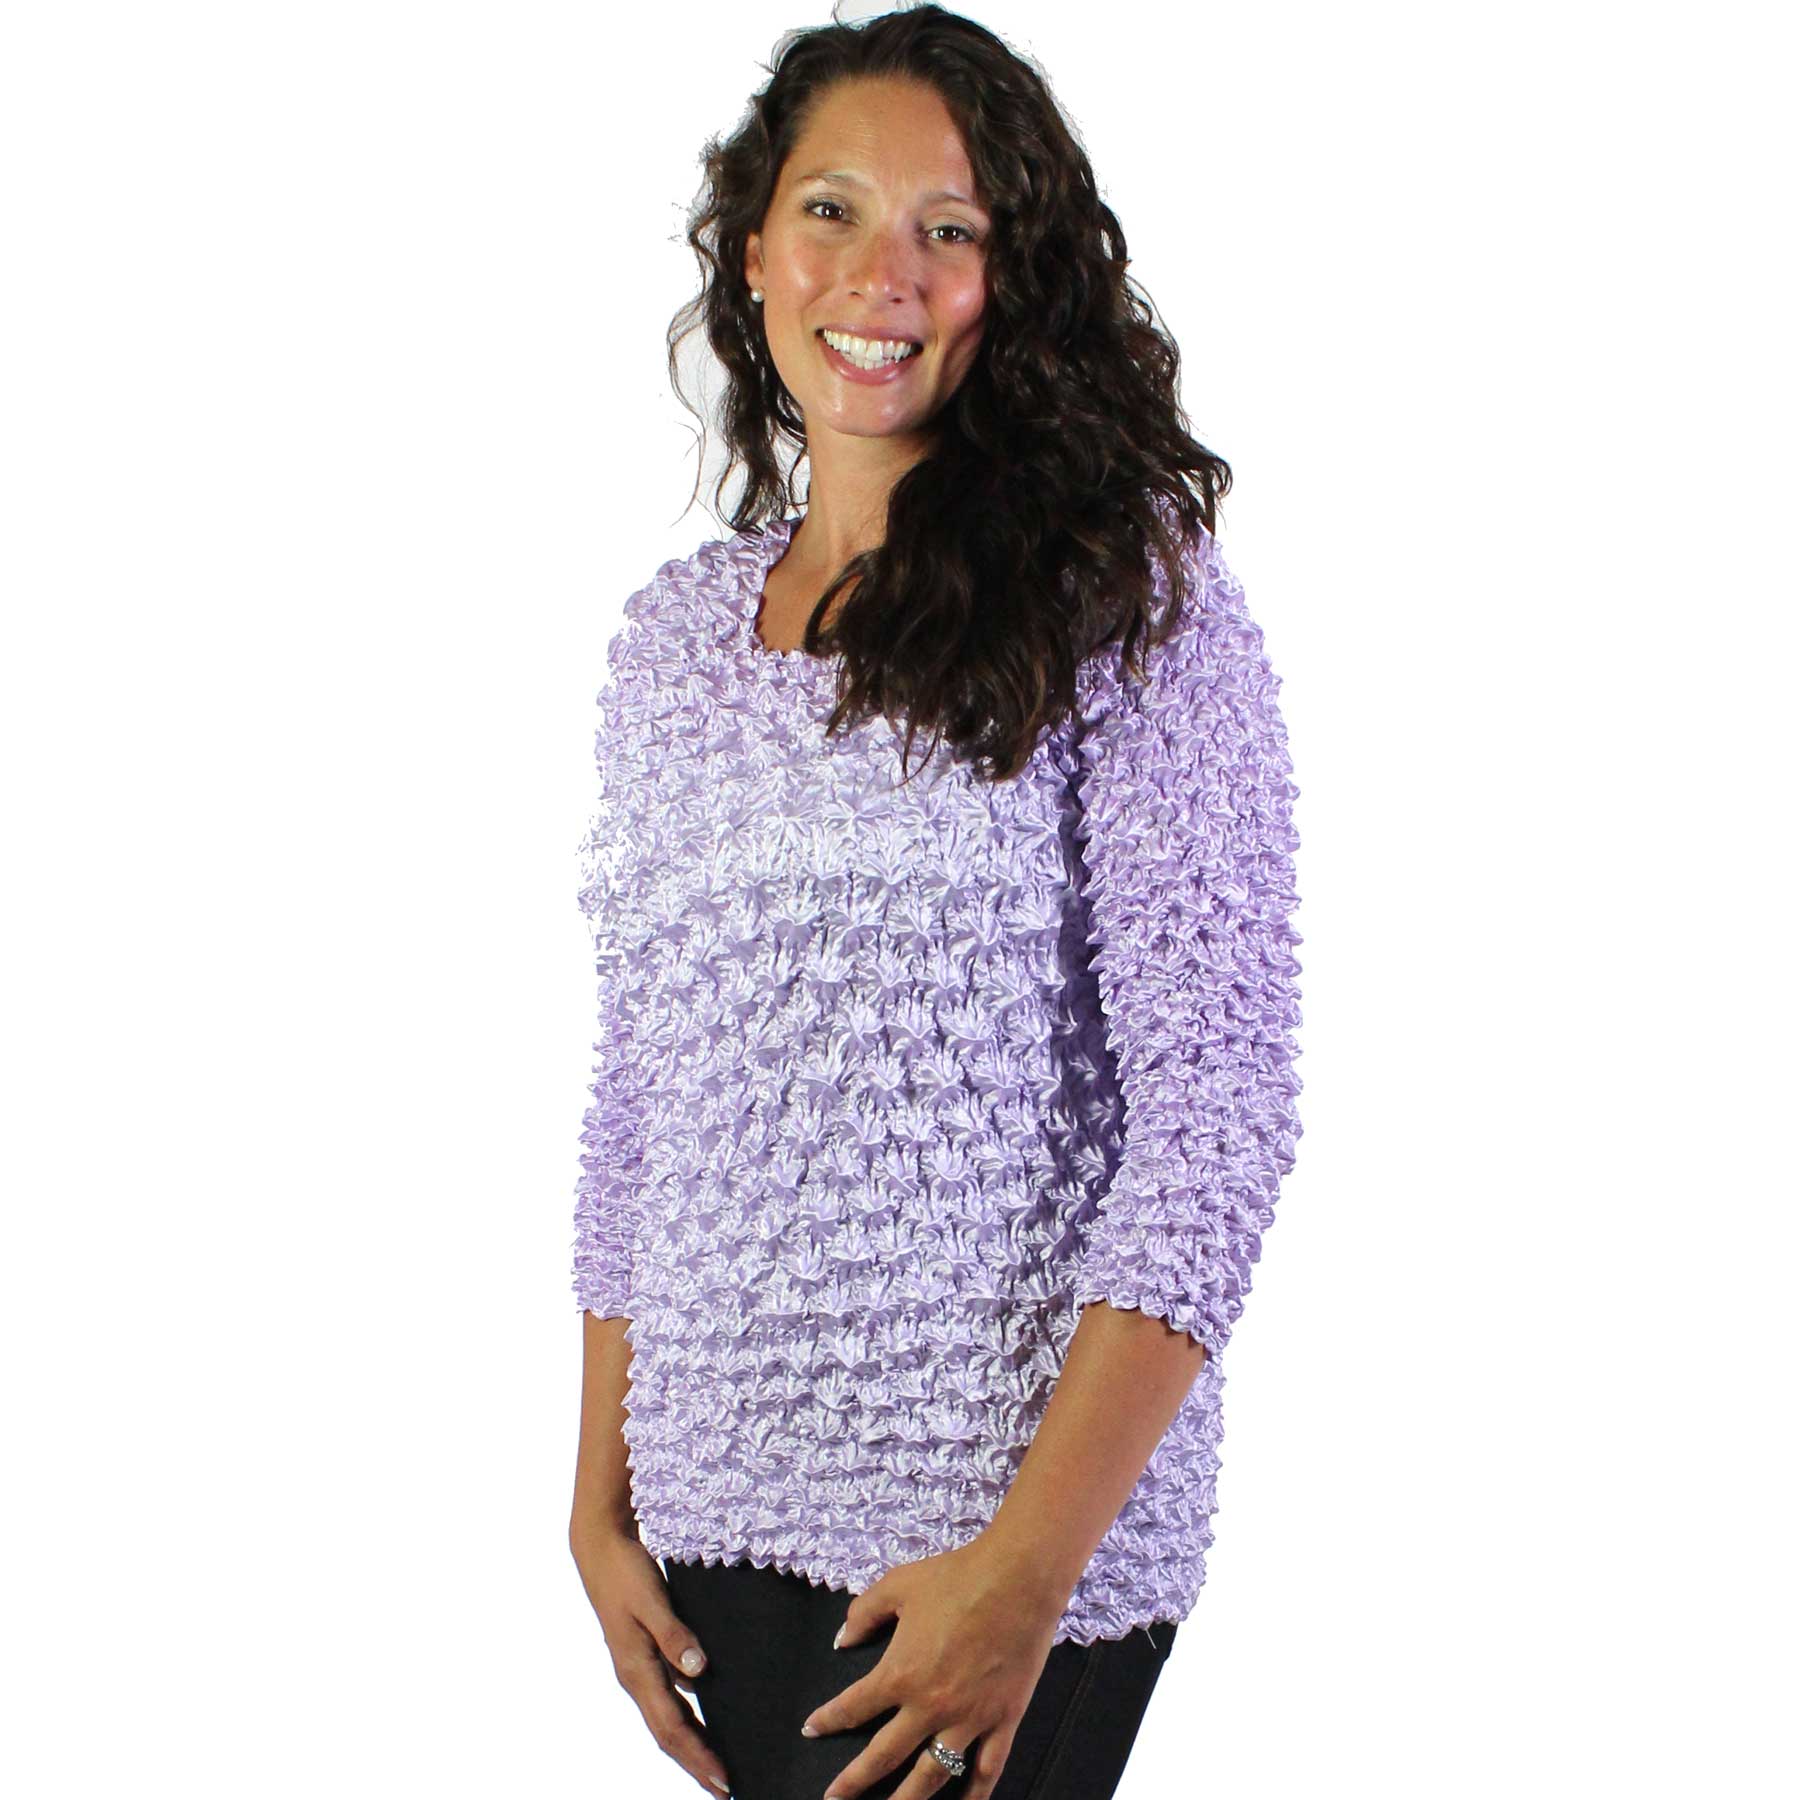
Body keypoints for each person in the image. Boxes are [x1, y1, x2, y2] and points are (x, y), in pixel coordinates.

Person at [566, 9, 1304, 1799]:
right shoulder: (675, 644)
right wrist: (598, 1502)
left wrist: (1026, 1574)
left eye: (948, 229)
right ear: (753, 249)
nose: (879, 274)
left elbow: (1218, 1111)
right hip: (712, 1521)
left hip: (991, 1551)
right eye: (830, 209)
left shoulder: (1125, 601)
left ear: (1010, 278)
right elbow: (644, 1102)